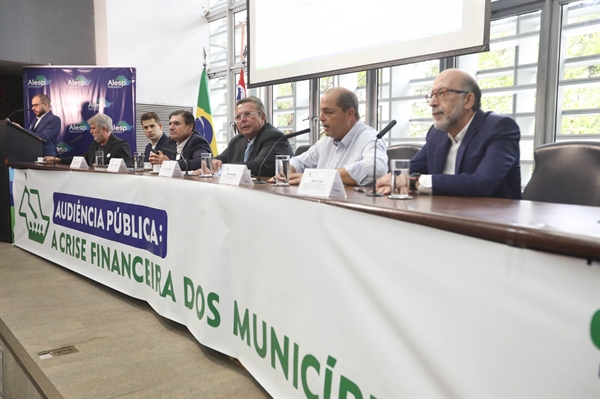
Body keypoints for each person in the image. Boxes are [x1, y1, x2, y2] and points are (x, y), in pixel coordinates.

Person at [376, 68, 522, 199]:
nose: (432, 103)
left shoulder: (499, 128)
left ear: (468, 100)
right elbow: (408, 171)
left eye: (442, 93)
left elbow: (483, 183)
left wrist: (413, 181)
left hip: (494, 221)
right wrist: (393, 182)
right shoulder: (436, 134)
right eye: (432, 95)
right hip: (444, 215)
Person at [279, 87, 387, 186]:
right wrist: (288, 170)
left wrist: (316, 177)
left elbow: (376, 167)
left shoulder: (371, 138)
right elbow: (299, 162)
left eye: (328, 112)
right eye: (321, 111)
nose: (321, 118)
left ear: (349, 114)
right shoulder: (326, 141)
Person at [207, 96, 292, 177]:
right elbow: (218, 159)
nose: (242, 120)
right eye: (238, 117)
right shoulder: (237, 140)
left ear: (262, 117)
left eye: (248, 114)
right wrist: (215, 162)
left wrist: (224, 168)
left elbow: (258, 167)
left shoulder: (274, 137)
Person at [44, 113, 133, 167]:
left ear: (104, 129)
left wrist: (105, 167)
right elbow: (84, 159)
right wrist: (59, 160)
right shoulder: (95, 144)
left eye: (93, 128)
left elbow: (128, 165)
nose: (90, 132)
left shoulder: (120, 145)